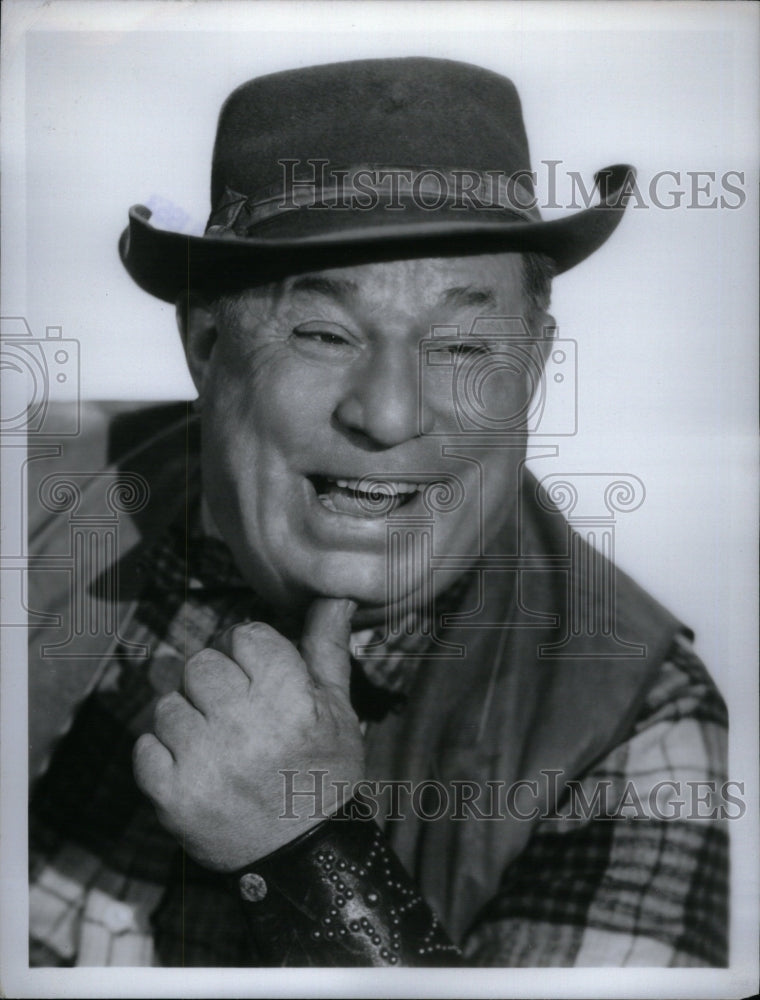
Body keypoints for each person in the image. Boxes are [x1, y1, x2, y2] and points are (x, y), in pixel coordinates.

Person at [27, 57, 728, 968]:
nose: (390, 413)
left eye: (464, 344)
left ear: (536, 365)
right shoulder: (33, 501)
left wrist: (311, 853)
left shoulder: (638, 727)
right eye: (324, 334)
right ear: (206, 342)